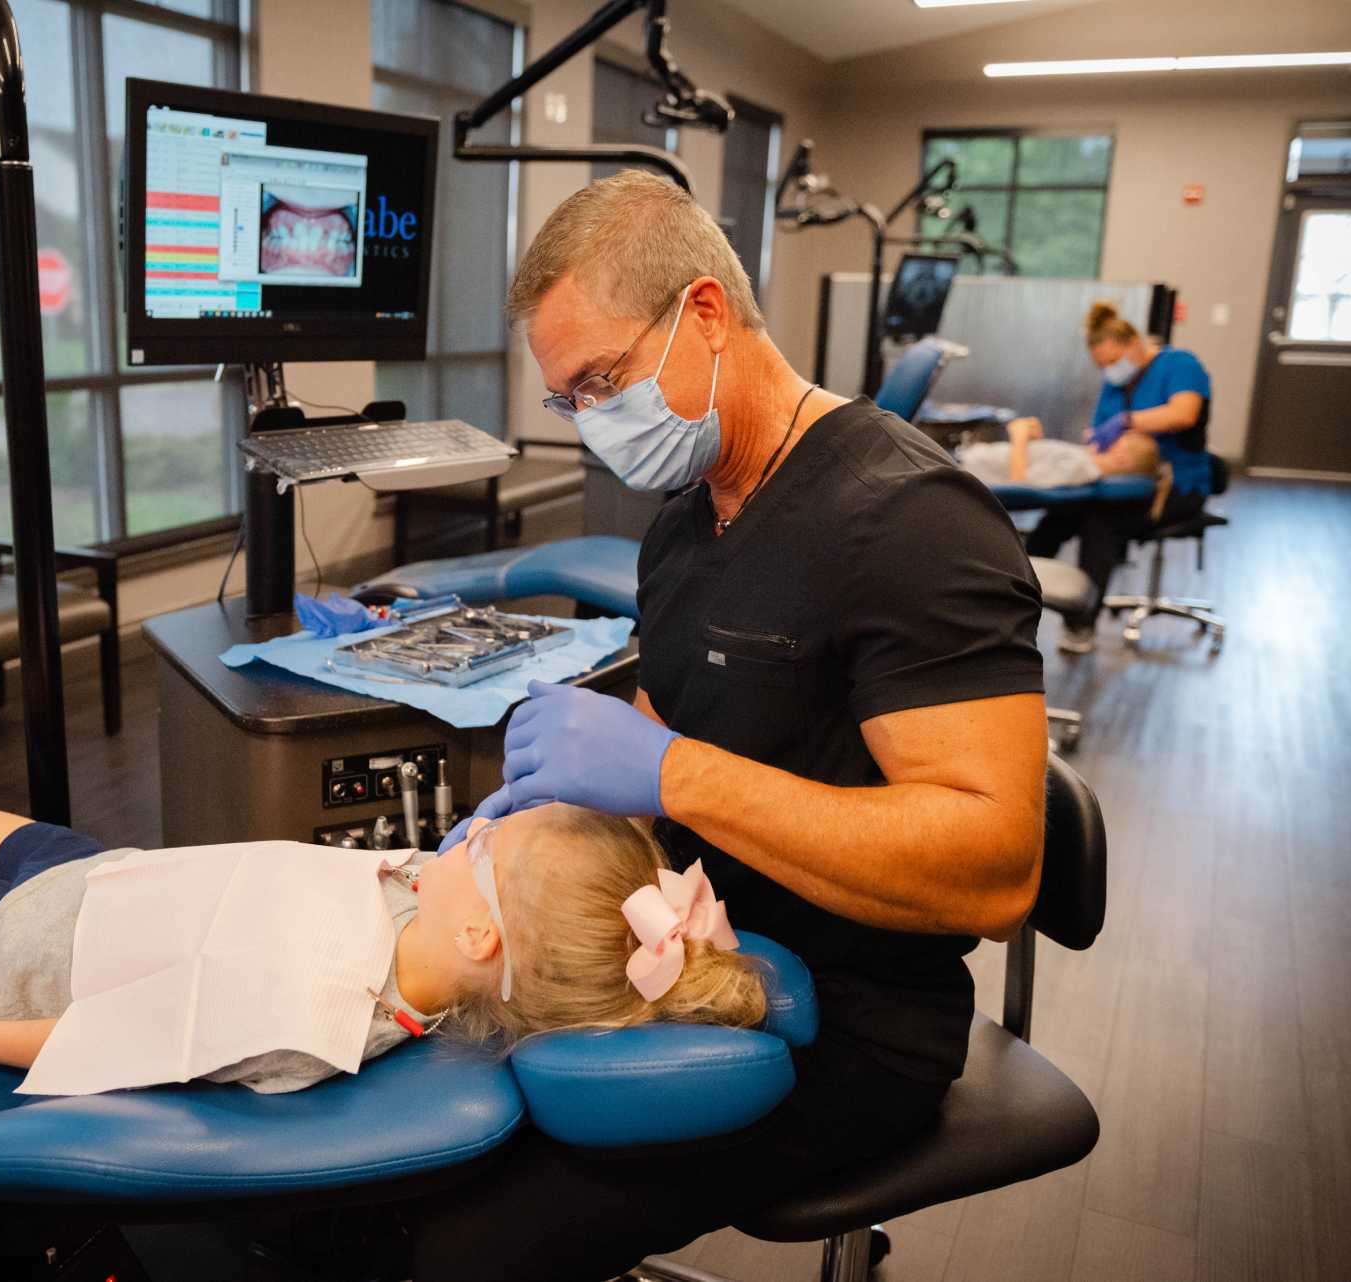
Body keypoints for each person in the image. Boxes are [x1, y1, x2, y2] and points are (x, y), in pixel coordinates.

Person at [409, 170, 1048, 1282]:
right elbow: (664, 737)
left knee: (463, 1238)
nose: (594, 419)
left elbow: (994, 873)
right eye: (568, 400)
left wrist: (674, 774)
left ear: (704, 312)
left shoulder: (911, 520)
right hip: (675, 951)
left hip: (851, 1020)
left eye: (601, 380)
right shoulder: (682, 528)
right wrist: (527, 828)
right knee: (404, 1152)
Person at [0, 668, 763, 1094]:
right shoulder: (432, 927)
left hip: (22, 955)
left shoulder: (315, 1021)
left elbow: (130, 1036)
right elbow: (438, 867)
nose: (466, 835)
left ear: (487, 941)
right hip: (98, 882)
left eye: (483, 851)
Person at [1024, 300, 1215, 653]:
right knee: (1058, 517)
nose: (1110, 371)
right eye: (1103, 366)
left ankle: (1082, 623)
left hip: (1174, 487)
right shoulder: (1115, 384)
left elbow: (1184, 414)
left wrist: (1128, 421)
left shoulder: (1181, 365)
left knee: (1100, 522)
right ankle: (1011, 603)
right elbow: (1100, 433)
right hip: (1120, 481)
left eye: (1113, 362)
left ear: (1134, 345)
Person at [957, 413, 1161, 490]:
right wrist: (1033, 441)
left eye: (1117, 442)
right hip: (966, 459)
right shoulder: (1083, 459)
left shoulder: (1081, 467)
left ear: (1122, 459)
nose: (1110, 440)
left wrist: (1019, 437)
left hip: (964, 467)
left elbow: (1019, 483)